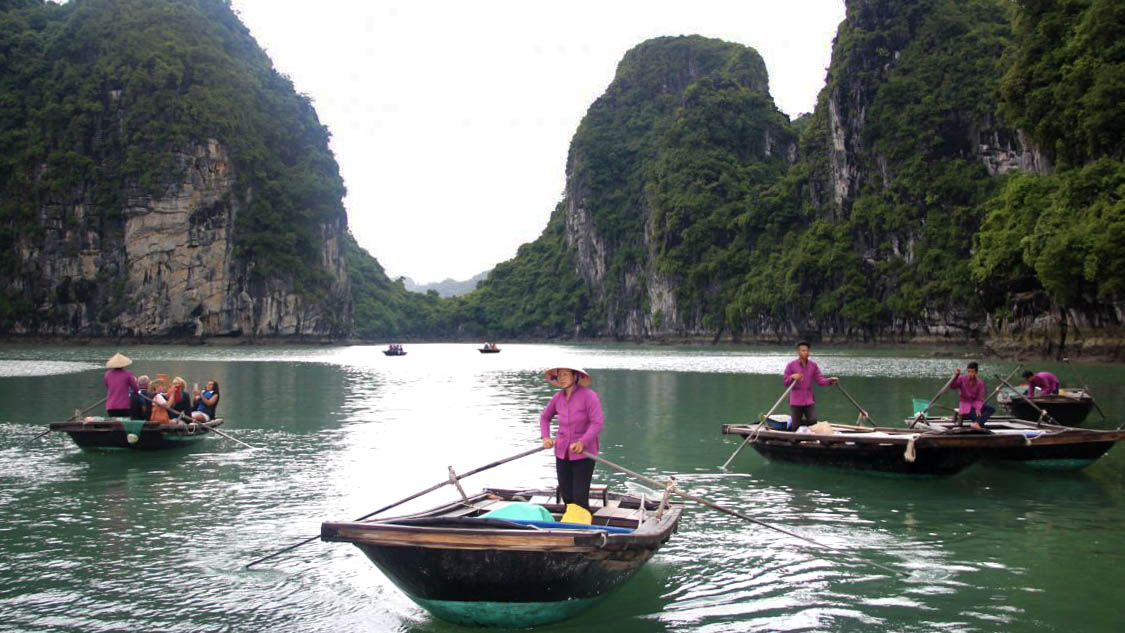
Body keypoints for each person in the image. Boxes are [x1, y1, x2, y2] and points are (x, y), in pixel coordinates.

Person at [539, 366, 603, 512]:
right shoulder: (558, 397)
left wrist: (582, 442)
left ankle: (583, 529)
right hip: (562, 452)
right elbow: (545, 417)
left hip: (584, 454)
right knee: (566, 494)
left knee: (580, 497)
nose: (562, 378)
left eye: (565, 374)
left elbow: (597, 422)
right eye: (559, 375)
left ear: (575, 376)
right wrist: (545, 437)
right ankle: (571, 526)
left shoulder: (589, 396)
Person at [782, 341, 838, 430]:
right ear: (798, 352)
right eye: (803, 350)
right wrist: (792, 377)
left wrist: (830, 381)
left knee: (813, 421)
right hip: (796, 400)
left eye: (807, 350)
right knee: (795, 426)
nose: (806, 352)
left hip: (809, 400)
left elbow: (820, 380)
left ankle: (804, 431)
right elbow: (785, 382)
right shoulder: (791, 365)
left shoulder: (813, 365)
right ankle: (794, 425)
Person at [950, 362, 994, 428]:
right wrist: (956, 376)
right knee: (975, 415)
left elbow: (980, 398)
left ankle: (977, 423)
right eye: (969, 371)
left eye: (972, 372)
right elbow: (952, 386)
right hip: (965, 404)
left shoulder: (980, 383)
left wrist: (978, 408)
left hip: (975, 404)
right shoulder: (962, 379)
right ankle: (979, 423)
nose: (970, 374)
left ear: (976, 372)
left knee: (991, 408)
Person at [103, 353, 139, 418]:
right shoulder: (128, 374)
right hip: (124, 405)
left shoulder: (107, 374)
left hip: (110, 406)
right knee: (124, 424)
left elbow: (107, 387)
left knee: (114, 424)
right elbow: (135, 389)